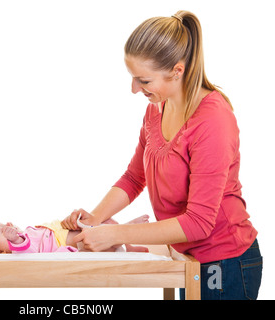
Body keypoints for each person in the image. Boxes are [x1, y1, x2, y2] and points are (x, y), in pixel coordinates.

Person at [61, 10, 263, 300]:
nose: (134, 89)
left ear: (177, 71)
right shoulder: (157, 108)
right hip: (187, 259)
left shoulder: (213, 121)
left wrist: (115, 235)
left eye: (143, 80)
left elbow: (198, 222)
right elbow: (133, 178)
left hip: (225, 263)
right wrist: (95, 219)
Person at [0, 215, 149, 254]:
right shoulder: (17, 249)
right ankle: (127, 231)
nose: (7, 226)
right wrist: (15, 239)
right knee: (96, 237)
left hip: (61, 232)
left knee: (106, 221)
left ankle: (129, 244)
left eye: (4, 224)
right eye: (2, 231)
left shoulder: (24, 233)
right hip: (64, 242)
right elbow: (27, 249)